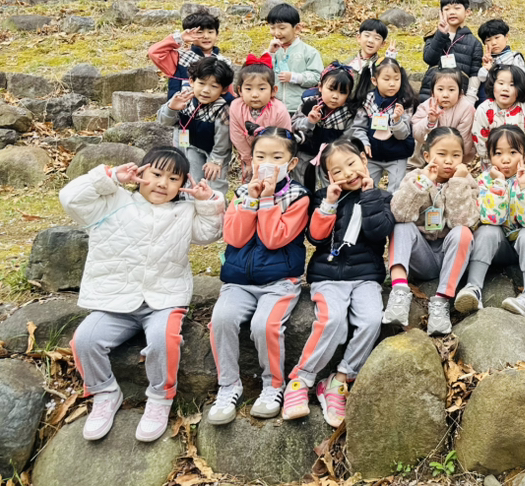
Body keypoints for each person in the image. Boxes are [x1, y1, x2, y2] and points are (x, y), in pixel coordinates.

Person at [62, 147, 223, 442]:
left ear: (183, 184)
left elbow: (209, 233)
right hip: (116, 300)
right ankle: (104, 393)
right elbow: (70, 198)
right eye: (156, 174)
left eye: (173, 179)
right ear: (139, 173)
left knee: (164, 340)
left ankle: (160, 398)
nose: (162, 184)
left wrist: (207, 201)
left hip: (164, 299)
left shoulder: (184, 210)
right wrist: (110, 177)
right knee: (85, 340)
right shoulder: (113, 201)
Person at [281, 138, 394, 428]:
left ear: (364, 161)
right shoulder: (322, 197)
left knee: (371, 320)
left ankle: (339, 379)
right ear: (329, 176)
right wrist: (329, 203)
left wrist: (369, 195)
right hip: (328, 276)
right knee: (332, 320)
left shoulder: (381, 197)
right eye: (337, 171)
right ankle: (301, 380)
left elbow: (378, 231)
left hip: (366, 277)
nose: (347, 173)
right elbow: (315, 237)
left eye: (351, 164)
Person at [207, 128, 310, 425]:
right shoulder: (242, 193)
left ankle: (273, 385)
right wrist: (251, 201)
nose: (267, 164)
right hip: (239, 281)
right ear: (251, 161)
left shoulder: (298, 197)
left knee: (265, 325)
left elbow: (274, 239)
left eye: (277, 158)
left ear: (291, 163)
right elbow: (234, 238)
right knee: (222, 320)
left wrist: (266, 201)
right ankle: (229, 385)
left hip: (280, 282)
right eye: (261, 157)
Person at [385, 126, 479, 336]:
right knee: (401, 226)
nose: (449, 161)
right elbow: (399, 213)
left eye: (456, 155)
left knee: (463, 232)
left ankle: (441, 301)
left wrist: (458, 183)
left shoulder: (467, 182)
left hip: (449, 256)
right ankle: (399, 292)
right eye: (442, 154)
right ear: (427, 156)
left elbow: (464, 221)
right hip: (421, 256)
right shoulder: (415, 177)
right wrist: (424, 182)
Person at [462, 126, 525, 317]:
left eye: (513, 152)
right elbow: (491, 218)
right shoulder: (485, 180)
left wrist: (524, 186)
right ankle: (473, 287)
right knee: (487, 230)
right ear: (489, 157)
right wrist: (500, 183)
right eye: (498, 153)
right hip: (499, 247)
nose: (506, 159)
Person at [157, 56, 233, 197]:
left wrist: (216, 160)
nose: (206, 90)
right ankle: (191, 204)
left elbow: (223, 138)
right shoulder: (183, 97)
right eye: (201, 83)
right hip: (191, 145)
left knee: (214, 180)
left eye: (214, 86)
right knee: (193, 178)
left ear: (224, 89)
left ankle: (216, 205)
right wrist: (171, 108)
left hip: (216, 151)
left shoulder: (223, 107)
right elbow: (163, 121)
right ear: (192, 81)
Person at [292, 64, 369, 189]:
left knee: (329, 185)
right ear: (320, 87)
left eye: (342, 92)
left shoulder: (349, 113)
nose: (335, 96)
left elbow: (348, 137)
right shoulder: (309, 104)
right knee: (301, 183)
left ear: (348, 95)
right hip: (305, 153)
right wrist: (309, 121)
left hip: (332, 158)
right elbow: (294, 125)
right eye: (331, 89)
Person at [354, 57, 418, 193]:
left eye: (396, 79)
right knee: (367, 189)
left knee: (396, 191)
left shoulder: (405, 101)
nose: (392, 84)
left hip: (397, 155)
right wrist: (363, 142)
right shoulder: (368, 100)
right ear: (374, 81)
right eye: (386, 79)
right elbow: (358, 128)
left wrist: (397, 120)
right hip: (372, 155)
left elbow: (403, 135)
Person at [229, 54, 292, 181]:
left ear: (273, 90)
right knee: (250, 183)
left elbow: (285, 138)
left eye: (262, 88)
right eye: (248, 88)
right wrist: (248, 161)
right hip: (248, 156)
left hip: (275, 156)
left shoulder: (279, 110)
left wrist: (275, 159)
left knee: (275, 184)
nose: (255, 94)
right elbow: (237, 136)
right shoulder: (236, 106)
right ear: (240, 90)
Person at [148, 9, 232, 99]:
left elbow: (229, 91)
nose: (206, 36)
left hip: (212, 107)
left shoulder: (223, 62)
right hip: (180, 106)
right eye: (199, 32)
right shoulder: (180, 58)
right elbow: (154, 52)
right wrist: (179, 38)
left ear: (217, 35)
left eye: (210, 32)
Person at [420, 0, 484, 102]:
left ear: (467, 12)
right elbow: (429, 59)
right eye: (447, 9)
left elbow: (474, 73)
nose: (452, 12)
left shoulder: (474, 43)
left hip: (458, 96)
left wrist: (470, 99)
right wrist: (441, 34)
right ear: (441, 13)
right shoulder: (433, 36)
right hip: (431, 94)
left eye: (457, 8)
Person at [266, 3, 324, 114]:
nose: (277, 33)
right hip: (274, 108)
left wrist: (295, 77)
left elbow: (318, 76)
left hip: (299, 108)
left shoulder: (309, 52)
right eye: (272, 28)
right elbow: (261, 73)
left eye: (282, 28)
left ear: (297, 28)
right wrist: (270, 54)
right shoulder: (272, 51)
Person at [410, 67, 476, 165]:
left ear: (460, 92)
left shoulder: (467, 109)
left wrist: (452, 159)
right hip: (427, 156)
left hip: (455, 159)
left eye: (451, 90)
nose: (445, 95)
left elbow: (465, 142)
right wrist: (430, 121)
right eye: (440, 89)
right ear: (432, 92)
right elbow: (417, 134)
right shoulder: (426, 106)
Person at [471, 64, 525, 164]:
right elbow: (479, 138)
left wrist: (524, 158)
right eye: (501, 83)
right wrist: (489, 159)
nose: (505, 88)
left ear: (521, 88)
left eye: (512, 85)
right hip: (492, 162)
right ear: (493, 84)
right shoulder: (484, 109)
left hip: (518, 162)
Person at [476, 18, 525, 103]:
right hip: (488, 103)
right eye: (488, 40)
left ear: (506, 37)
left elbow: (519, 80)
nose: (494, 43)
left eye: (497, 37)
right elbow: (482, 78)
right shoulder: (487, 59)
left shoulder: (515, 57)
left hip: (509, 101)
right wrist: (486, 66)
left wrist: (492, 70)